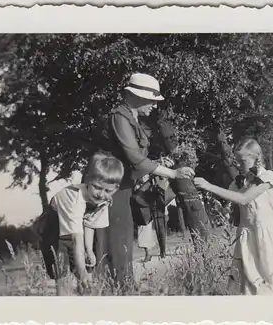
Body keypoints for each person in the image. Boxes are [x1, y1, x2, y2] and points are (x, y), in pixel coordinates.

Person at [95, 73, 195, 285]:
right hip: (110, 188)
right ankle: (117, 289)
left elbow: (136, 159)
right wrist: (172, 173)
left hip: (122, 186)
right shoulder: (120, 117)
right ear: (137, 96)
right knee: (115, 241)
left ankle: (121, 286)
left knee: (121, 241)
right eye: (151, 100)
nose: (154, 106)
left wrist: (157, 164)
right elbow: (134, 157)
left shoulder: (130, 118)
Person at [194, 137, 273, 295]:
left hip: (266, 234)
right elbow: (231, 202)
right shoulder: (239, 182)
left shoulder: (267, 178)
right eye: (236, 160)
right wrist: (221, 208)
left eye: (242, 160)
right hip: (246, 235)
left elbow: (244, 199)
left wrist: (209, 186)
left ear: (256, 158)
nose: (238, 164)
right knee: (249, 279)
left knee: (269, 274)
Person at [45, 152, 124, 295]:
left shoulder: (104, 200)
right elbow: (75, 238)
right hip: (54, 227)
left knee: (88, 268)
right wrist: (81, 271)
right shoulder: (73, 198)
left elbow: (89, 224)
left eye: (107, 190)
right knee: (63, 275)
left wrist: (88, 250)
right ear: (87, 180)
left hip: (78, 229)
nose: (101, 194)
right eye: (97, 187)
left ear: (115, 189)